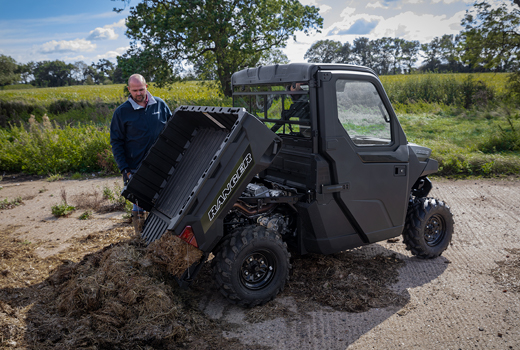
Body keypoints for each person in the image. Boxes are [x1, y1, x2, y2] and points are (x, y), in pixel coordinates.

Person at [110, 74, 172, 234]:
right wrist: (125, 169)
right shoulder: (121, 112)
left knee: (166, 202)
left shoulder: (160, 105)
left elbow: (173, 129)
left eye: (141, 89)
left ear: (147, 87)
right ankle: (141, 239)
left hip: (163, 165)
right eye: (135, 90)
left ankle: (164, 236)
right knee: (140, 204)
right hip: (137, 168)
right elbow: (116, 142)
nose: (138, 93)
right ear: (129, 89)